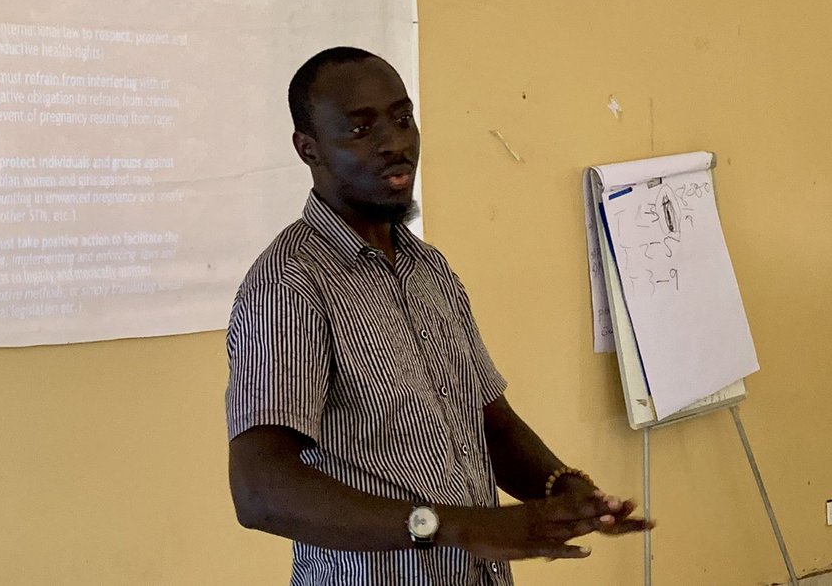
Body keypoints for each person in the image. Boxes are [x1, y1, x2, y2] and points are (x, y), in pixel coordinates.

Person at [225, 46, 652, 585]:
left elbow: (488, 419)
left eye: (402, 119)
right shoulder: (289, 286)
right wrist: (453, 527)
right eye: (360, 130)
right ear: (307, 149)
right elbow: (259, 491)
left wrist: (564, 490)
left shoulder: (429, 267)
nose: (394, 144)